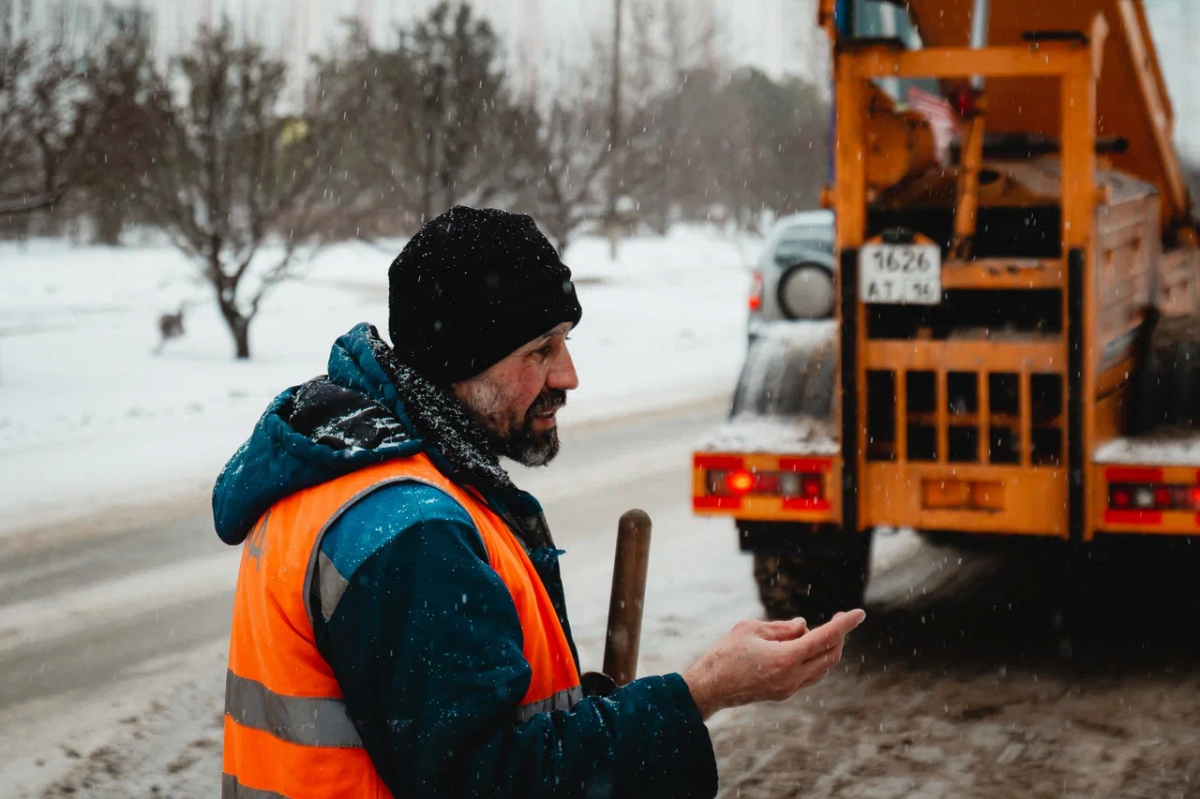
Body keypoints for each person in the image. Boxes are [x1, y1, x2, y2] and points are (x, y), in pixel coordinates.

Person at [213, 206, 866, 799]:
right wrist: (701, 692)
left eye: (565, 342)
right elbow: (496, 780)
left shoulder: (351, 477)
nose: (568, 376)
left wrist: (598, 712)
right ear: (456, 363)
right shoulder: (411, 534)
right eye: (540, 351)